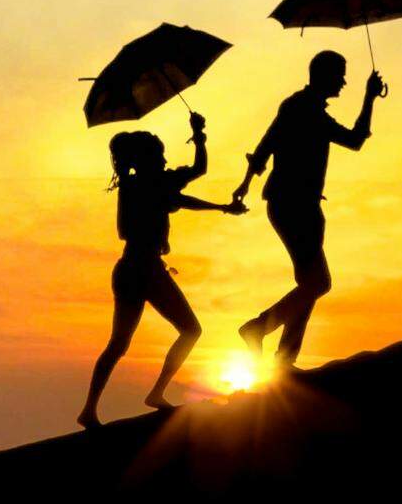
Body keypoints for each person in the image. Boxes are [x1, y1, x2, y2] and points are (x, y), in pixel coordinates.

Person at [78, 111, 241, 429]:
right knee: (190, 330)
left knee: (118, 344)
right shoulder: (152, 184)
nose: (165, 159)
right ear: (149, 160)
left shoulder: (134, 185)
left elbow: (189, 184)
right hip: (145, 270)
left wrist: (199, 138)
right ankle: (153, 393)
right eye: (161, 154)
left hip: (129, 269)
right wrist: (199, 137)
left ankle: (90, 409)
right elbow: (195, 177)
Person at [233, 52, 385, 368]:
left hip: (293, 204)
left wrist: (245, 183)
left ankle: (284, 361)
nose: (344, 80)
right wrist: (369, 98)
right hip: (296, 206)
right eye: (340, 74)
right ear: (324, 75)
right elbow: (355, 140)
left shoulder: (296, 106)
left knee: (309, 284)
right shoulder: (308, 112)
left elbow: (265, 145)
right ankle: (258, 329)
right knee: (318, 283)